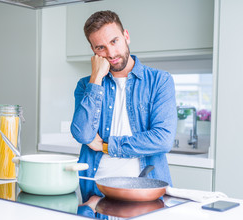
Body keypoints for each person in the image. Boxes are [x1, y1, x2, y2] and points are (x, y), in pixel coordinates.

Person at [70, 10, 177, 203]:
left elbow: (163, 139)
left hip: (146, 193)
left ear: (126, 36)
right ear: (93, 51)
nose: (111, 54)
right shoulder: (86, 85)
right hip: (96, 194)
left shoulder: (160, 81)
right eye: (101, 48)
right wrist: (96, 79)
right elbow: (83, 135)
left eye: (114, 41)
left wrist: (107, 146)